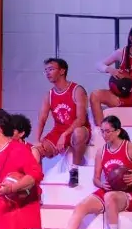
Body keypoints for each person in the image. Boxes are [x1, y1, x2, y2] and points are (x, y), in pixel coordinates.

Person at [51, 115, 132, 229]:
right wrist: (101, 184)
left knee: (110, 197)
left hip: (128, 192)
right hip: (109, 189)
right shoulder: (101, 151)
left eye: (107, 131)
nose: (104, 135)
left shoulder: (131, 148)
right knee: (81, 206)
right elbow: (96, 179)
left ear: (117, 131)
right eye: (102, 131)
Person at [33, 58, 90, 187]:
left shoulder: (77, 90)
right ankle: (36, 183)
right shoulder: (49, 95)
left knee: (78, 132)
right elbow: (42, 119)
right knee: (35, 149)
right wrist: (37, 140)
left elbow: (81, 119)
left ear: (62, 71)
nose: (48, 73)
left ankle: (74, 170)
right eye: (46, 71)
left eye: (51, 69)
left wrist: (65, 135)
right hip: (58, 130)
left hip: (77, 128)